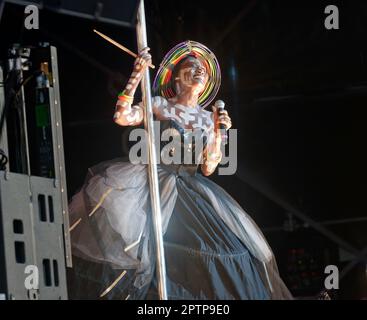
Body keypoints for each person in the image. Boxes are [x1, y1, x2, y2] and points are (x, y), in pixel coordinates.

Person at [67, 41, 292, 300]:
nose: (199, 70)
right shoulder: (161, 105)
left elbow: (208, 167)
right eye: (191, 66)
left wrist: (219, 133)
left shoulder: (209, 118)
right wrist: (137, 74)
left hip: (190, 186)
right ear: (176, 77)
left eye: (203, 69)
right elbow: (122, 117)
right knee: (146, 247)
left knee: (215, 246)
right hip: (151, 180)